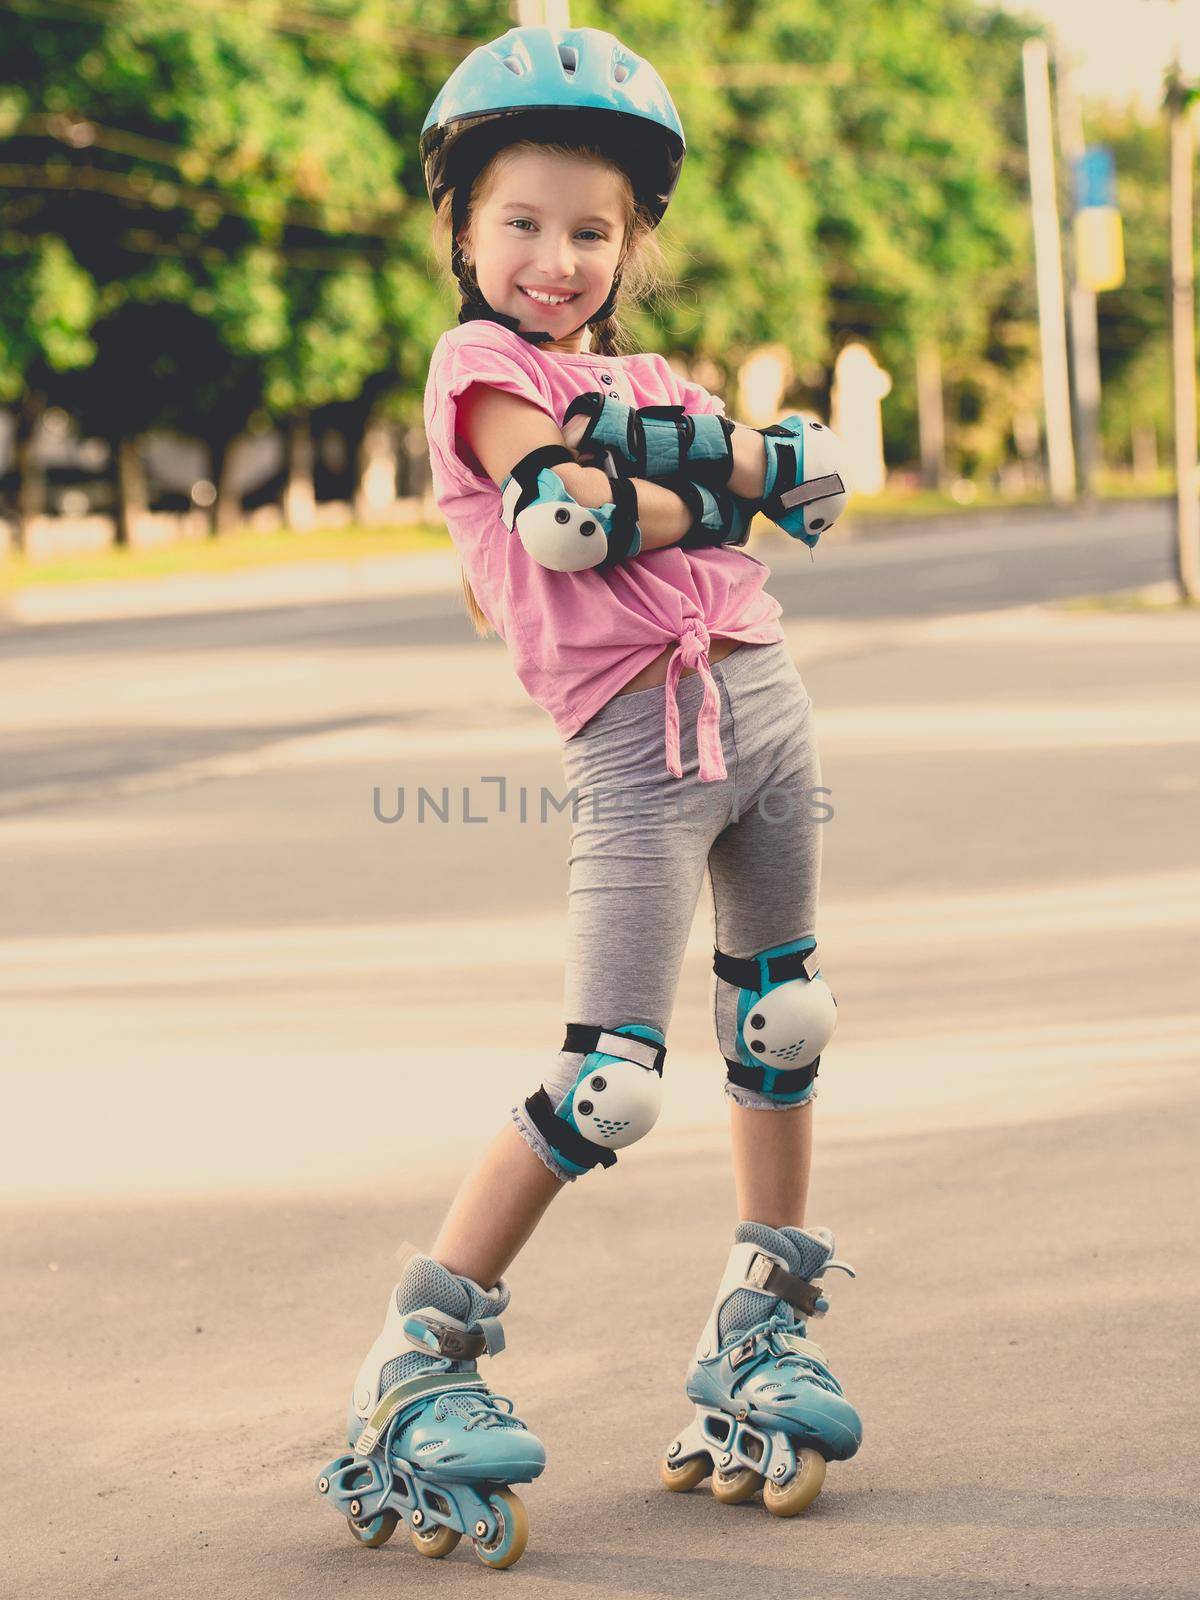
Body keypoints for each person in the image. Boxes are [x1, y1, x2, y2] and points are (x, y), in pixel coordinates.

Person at [314, 24, 859, 1570]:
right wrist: (732, 475)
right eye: (523, 223)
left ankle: (764, 1319)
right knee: (611, 1077)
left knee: (784, 1017)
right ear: (462, 229)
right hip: (636, 741)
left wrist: (706, 471)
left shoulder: (641, 372)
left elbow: (816, 485)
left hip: (764, 704)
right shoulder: (476, 367)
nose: (557, 259)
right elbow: (565, 518)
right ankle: (418, 1357)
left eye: (591, 231)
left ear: (634, 245)